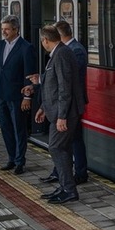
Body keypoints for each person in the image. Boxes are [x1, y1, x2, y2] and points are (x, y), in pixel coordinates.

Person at [33, 24, 85, 204]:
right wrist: (42, 107)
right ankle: (65, 186)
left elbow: (64, 88)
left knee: (55, 147)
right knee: (64, 147)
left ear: (45, 40)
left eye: (42, 41)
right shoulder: (58, 53)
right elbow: (51, 85)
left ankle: (69, 189)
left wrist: (62, 116)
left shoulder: (61, 54)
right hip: (57, 111)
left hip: (65, 113)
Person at [0, 15, 35, 175]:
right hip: (1, 94)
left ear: (16, 29)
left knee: (19, 129)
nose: (4, 32)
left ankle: (20, 161)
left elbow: (29, 75)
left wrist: (27, 97)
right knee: (6, 128)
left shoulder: (26, 47)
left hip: (17, 97)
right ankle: (11, 158)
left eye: (7, 29)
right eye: (2, 29)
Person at [58, 20, 89, 184]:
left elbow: (69, 78)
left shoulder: (75, 50)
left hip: (73, 102)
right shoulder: (70, 48)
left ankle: (81, 172)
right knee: (66, 139)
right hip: (68, 101)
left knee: (75, 138)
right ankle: (62, 170)